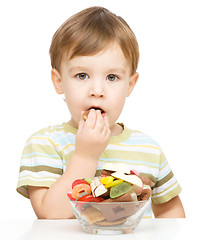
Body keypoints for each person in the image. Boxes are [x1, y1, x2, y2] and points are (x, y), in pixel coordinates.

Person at [17, 6, 185, 219]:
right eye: (82, 75)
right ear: (59, 82)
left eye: (112, 77)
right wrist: (86, 155)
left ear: (130, 85)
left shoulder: (149, 148)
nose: (97, 91)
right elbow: (50, 216)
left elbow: (171, 212)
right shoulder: (45, 144)